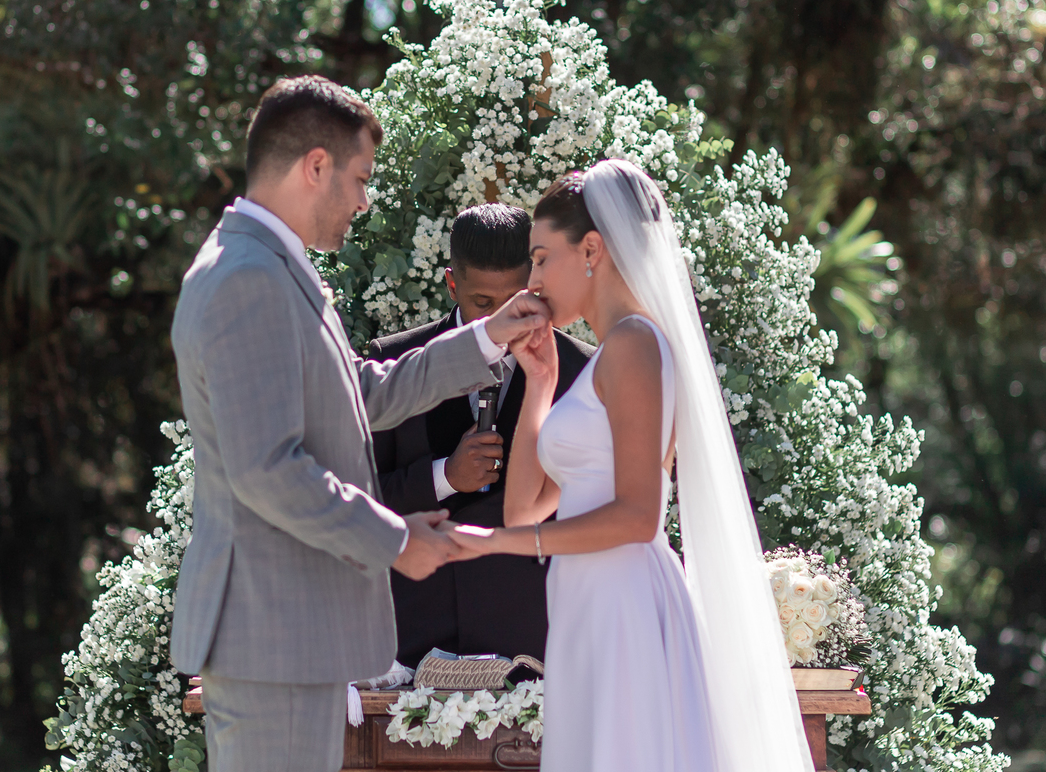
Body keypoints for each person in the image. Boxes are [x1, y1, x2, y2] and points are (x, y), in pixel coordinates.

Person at [168, 75, 549, 772]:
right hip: (271, 637)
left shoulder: (269, 268)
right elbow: (266, 469)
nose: (364, 201)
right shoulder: (247, 279)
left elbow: (359, 391)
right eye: (360, 179)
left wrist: (487, 336)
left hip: (289, 639)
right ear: (316, 166)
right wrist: (395, 539)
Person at [448, 160, 813, 772]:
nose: (531, 280)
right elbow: (524, 508)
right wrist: (541, 383)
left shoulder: (635, 345)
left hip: (624, 602)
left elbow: (640, 516)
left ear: (591, 249)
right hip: (586, 602)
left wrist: (500, 545)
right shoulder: (604, 356)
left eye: (541, 258)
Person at [368, 203, 594, 668]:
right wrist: (444, 476)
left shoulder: (585, 371)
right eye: (484, 304)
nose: (504, 319)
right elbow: (358, 500)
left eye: (517, 300)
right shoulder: (393, 362)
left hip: (538, 642)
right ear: (452, 284)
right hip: (412, 641)